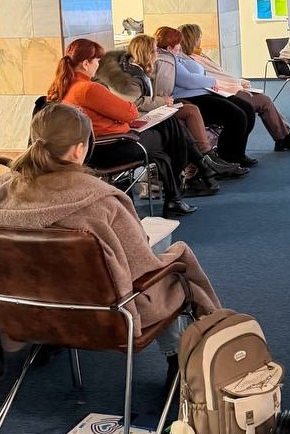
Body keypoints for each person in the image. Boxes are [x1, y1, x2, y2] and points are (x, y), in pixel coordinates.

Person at [0, 103, 221, 383]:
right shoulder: (103, 200)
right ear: (79, 149)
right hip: (107, 319)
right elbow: (141, 267)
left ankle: (46, 346)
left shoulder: (5, 192)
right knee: (172, 264)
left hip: (23, 315)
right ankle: (179, 362)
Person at [48, 38, 201, 217]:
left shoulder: (65, 85)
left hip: (97, 145)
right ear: (86, 63)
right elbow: (130, 112)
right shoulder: (89, 89)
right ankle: (194, 168)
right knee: (169, 133)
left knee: (168, 133)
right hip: (111, 147)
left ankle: (181, 187)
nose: (99, 65)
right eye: (97, 60)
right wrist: (121, 118)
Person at [96, 35, 242, 181]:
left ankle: (206, 160)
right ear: (147, 53)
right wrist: (162, 101)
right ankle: (205, 161)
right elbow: (134, 103)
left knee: (190, 110)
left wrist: (164, 101)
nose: (157, 53)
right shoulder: (132, 77)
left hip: (149, 111)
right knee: (181, 122)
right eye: (155, 51)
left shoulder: (138, 69)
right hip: (140, 118)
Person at [177, 23, 290, 152]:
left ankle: (286, 135)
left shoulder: (198, 56)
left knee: (263, 100)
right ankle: (285, 137)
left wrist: (237, 82)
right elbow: (213, 79)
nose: (201, 40)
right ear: (193, 39)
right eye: (199, 37)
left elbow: (219, 75)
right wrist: (238, 83)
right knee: (263, 101)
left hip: (225, 89)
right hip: (221, 92)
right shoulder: (191, 60)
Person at [155, 27, 257, 169]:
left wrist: (207, 81)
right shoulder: (166, 60)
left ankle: (238, 153)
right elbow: (187, 80)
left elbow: (194, 76)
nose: (180, 46)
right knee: (236, 115)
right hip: (190, 97)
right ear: (170, 47)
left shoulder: (176, 56)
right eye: (178, 44)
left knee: (247, 108)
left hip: (203, 92)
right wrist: (211, 81)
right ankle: (227, 158)